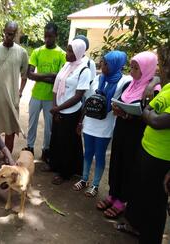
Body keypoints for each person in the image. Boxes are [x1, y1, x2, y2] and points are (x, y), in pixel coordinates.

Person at [97, 51, 160, 218]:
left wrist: (128, 115)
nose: (131, 71)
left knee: (129, 166)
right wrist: (119, 110)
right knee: (117, 161)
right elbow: (122, 101)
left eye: (136, 68)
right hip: (121, 130)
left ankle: (123, 200)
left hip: (136, 135)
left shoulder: (153, 90)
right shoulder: (130, 84)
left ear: (147, 69)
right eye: (131, 67)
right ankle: (113, 193)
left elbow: (151, 116)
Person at [117, 81, 170, 244]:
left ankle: (150, 239)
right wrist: (149, 112)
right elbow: (146, 111)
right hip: (145, 149)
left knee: (155, 204)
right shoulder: (168, 87)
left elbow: (156, 121)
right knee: (140, 193)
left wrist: (148, 112)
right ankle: (136, 226)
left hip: (162, 159)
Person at [73, 50, 130, 197]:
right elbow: (88, 101)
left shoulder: (124, 82)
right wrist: (81, 121)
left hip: (105, 126)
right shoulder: (98, 78)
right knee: (88, 153)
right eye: (102, 62)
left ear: (116, 65)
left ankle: (95, 185)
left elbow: (123, 103)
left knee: (99, 155)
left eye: (106, 63)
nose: (102, 65)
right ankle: (84, 179)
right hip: (90, 123)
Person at [48, 39, 91, 185]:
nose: (67, 53)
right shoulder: (67, 65)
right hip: (58, 108)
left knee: (67, 142)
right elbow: (56, 85)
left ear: (79, 53)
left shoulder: (84, 70)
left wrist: (58, 109)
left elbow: (78, 96)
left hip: (71, 112)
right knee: (56, 139)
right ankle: (54, 165)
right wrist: (55, 107)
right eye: (67, 50)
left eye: (71, 51)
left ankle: (65, 172)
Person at [23, 22, 66, 163]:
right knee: (32, 124)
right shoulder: (37, 51)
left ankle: (46, 151)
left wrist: (40, 76)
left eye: (51, 36)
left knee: (49, 126)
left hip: (51, 98)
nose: (47, 39)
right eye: (46, 36)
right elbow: (29, 74)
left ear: (56, 36)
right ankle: (29, 148)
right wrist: (51, 74)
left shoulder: (61, 54)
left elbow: (60, 80)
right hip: (36, 94)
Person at [0, 21, 29, 153]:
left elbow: (25, 75)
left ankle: (7, 156)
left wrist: (20, 92)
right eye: (7, 33)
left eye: (12, 34)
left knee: (10, 129)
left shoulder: (22, 52)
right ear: (3, 31)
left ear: (16, 34)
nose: (9, 36)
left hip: (12, 98)